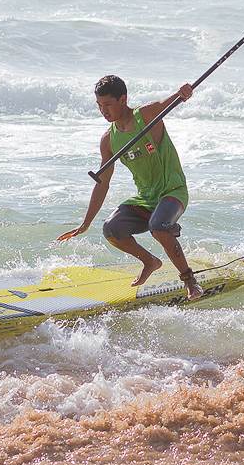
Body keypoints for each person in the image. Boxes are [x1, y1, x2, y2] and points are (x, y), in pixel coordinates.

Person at [58, 75, 204, 300]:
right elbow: (102, 183)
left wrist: (183, 92)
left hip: (172, 191)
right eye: (99, 105)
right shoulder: (108, 140)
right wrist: (86, 223)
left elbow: (175, 100)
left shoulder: (145, 115)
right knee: (112, 229)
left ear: (123, 99)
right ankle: (150, 261)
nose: (103, 111)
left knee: (159, 227)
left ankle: (190, 281)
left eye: (107, 105)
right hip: (146, 199)